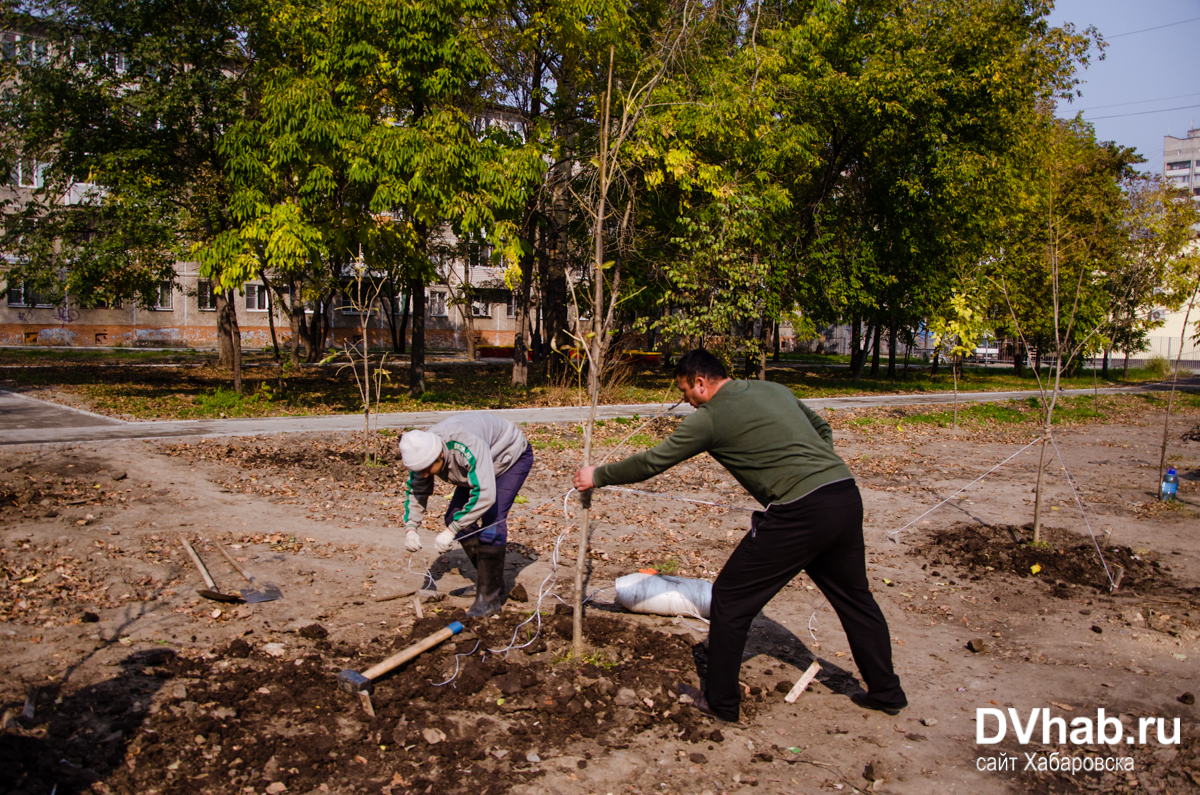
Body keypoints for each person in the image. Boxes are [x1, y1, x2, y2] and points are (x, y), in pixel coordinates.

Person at [574, 349, 906, 722]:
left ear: (701, 383)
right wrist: (813, 469)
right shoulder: (773, 389)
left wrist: (596, 476)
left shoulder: (711, 418)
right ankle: (886, 691)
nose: (685, 400)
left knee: (730, 600)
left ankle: (720, 702)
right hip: (843, 494)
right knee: (855, 599)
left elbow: (653, 462)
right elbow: (822, 429)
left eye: (685, 391)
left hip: (800, 513)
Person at [399, 412, 533, 618]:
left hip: (508, 457)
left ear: (440, 455)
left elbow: (486, 496)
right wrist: (411, 528)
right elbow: (417, 491)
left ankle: (489, 599)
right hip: (476, 466)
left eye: (427, 470)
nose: (425, 474)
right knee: (455, 517)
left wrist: (451, 531)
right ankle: (490, 582)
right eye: (419, 470)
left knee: (492, 522)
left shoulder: (466, 445)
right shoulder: (422, 452)